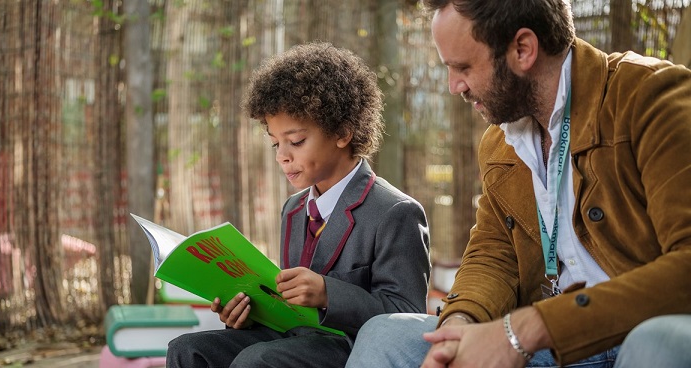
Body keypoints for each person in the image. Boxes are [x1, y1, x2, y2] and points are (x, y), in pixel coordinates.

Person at [345, 0, 691, 367]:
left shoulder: (652, 98)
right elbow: (494, 254)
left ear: (523, 49)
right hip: (551, 345)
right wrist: (461, 326)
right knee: (385, 334)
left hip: (634, 331)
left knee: (657, 343)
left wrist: (528, 328)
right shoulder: (500, 143)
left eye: (463, 67)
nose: (453, 86)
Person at [166, 42, 431, 368]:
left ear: (343, 132)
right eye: (276, 143)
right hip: (293, 341)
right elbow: (287, 309)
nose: (282, 155)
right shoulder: (293, 210)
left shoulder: (395, 212)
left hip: (350, 347)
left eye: (296, 141)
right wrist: (246, 313)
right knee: (186, 350)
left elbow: (406, 317)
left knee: (257, 360)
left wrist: (327, 293)